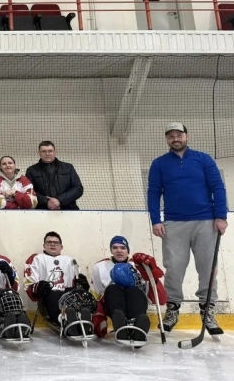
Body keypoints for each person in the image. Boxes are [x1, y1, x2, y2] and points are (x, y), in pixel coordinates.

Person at [147, 122, 228, 334]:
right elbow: (153, 192)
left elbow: (218, 187)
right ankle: (173, 310)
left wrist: (220, 216)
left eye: (179, 135)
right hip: (173, 223)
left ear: (186, 136)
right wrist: (155, 220)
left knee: (208, 268)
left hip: (206, 222)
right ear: (167, 139)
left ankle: (207, 311)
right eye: (171, 136)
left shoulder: (203, 159)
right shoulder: (159, 164)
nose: (175, 139)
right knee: (174, 267)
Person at [90, 235, 166, 342]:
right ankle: (120, 323)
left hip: (135, 302)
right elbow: (97, 296)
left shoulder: (138, 265)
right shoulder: (99, 266)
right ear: (111, 250)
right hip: (113, 304)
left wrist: (152, 272)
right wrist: (99, 317)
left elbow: (161, 299)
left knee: (134, 290)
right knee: (113, 289)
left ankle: (138, 324)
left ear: (128, 250)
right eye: (115, 248)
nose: (119, 251)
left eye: (123, 247)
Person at [23, 231, 92, 337]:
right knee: (53, 294)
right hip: (49, 295)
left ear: (61, 247)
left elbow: (77, 284)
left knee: (75, 295)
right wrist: (38, 287)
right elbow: (29, 282)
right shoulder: (37, 258)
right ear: (44, 246)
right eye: (49, 242)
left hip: (68, 294)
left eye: (56, 243)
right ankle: (65, 321)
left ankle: (80, 318)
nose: (52, 244)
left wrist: (83, 286)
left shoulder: (70, 260)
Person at [25, 141, 83, 210]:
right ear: (39, 153)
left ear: (55, 152)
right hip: (42, 210)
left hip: (69, 209)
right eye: (44, 151)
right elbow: (29, 191)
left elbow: (78, 188)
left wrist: (59, 200)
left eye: (50, 151)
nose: (47, 154)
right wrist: (47, 202)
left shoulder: (68, 167)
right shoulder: (31, 170)